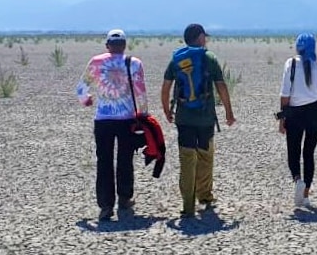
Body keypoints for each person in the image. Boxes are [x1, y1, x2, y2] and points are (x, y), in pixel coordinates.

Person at [160, 23, 235, 218]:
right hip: (205, 119)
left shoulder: (177, 58)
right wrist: (229, 112)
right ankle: (205, 196)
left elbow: (166, 86)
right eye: (205, 37)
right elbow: (222, 86)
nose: (206, 40)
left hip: (184, 118)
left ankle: (188, 206)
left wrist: (167, 110)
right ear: (200, 37)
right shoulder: (209, 58)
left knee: (186, 158)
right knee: (205, 156)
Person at [76, 28, 148, 221]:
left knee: (104, 161)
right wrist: (143, 115)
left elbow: (81, 88)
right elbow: (141, 92)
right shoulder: (134, 63)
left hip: (103, 120)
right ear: (124, 45)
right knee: (125, 159)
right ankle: (124, 198)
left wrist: (86, 100)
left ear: (107, 46)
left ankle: (106, 205)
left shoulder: (97, 62)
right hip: (127, 120)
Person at [278, 33, 317, 208]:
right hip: (315, 112)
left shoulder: (291, 64)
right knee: (309, 153)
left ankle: (297, 180)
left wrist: (282, 119)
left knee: (293, 151)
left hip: (295, 113)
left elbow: (285, 95)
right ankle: (305, 194)